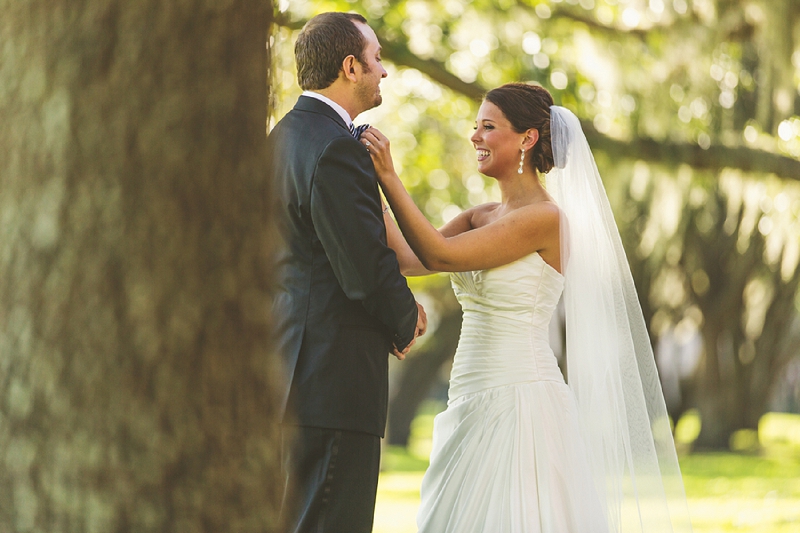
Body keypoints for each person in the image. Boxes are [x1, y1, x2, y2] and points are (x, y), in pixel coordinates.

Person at [361, 83, 693, 532]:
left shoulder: (545, 220)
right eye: (474, 127)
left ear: (527, 139)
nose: (475, 136)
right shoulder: (480, 216)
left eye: (488, 127)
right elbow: (407, 257)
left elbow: (440, 255)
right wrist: (365, 180)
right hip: (468, 396)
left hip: (521, 400)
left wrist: (391, 177)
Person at [269, 12, 427, 533]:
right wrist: (406, 319)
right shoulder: (336, 147)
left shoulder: (282, 138)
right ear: (350, 66)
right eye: (377, 59)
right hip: (333, 383)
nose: (385, 71)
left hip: (290, 369)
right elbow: (362, 265)